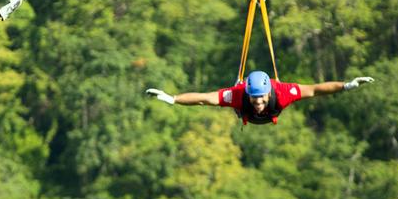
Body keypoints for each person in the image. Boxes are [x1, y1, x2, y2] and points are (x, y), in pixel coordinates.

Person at [145, 70, 374, 125]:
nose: (259, 104)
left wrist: (346, 85)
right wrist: (173, 99)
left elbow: (315, 89)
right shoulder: (237, 96)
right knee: (215, 100)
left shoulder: (283, 93)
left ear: (268, 93)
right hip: (243, 111)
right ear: (247, 94)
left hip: (273, 112)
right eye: (255, 100)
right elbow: (205, 98)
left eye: (262, 99)